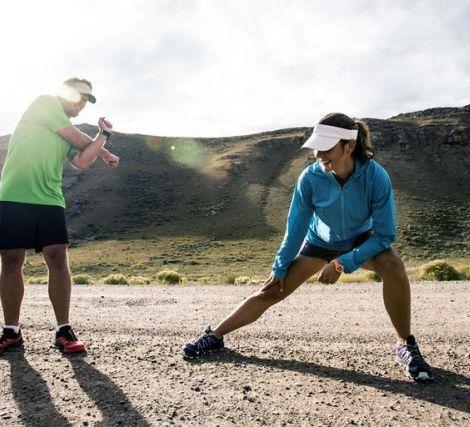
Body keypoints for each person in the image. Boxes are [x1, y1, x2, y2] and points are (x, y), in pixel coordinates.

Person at [182, 113, 434, 381]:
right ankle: (215, 336)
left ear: (348, 146)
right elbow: (296, 228)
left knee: (394, 266)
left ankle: (406, 345)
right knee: (270, 290)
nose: (318, 153)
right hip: (319, 243)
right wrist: (279, 267)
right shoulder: (310, 178)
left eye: (326, 147)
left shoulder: (376, 177)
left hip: (360, 241)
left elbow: (385, 235)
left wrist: (341, 264)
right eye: (316, 146)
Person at [0, 78, 120, 358]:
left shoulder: (65, 130)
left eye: (86, 101)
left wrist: (104, 136)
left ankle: (63, 330)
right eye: (78, 96)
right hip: (14, 195)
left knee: (57, 258)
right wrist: (106, 153)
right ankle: (11, 332)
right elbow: (79, 141)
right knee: (11, 261)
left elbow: (81, 160)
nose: (80, 103)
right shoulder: (45, 103)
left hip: (50, 199)